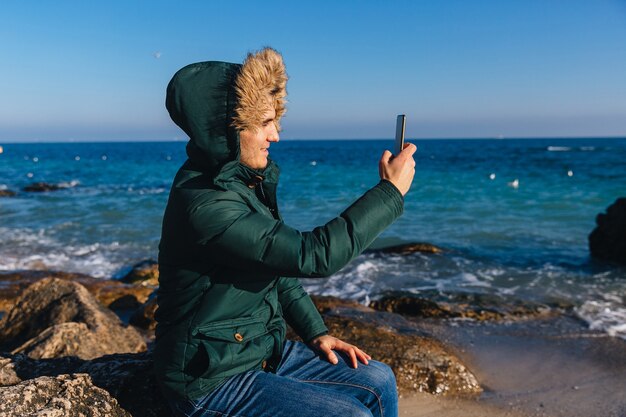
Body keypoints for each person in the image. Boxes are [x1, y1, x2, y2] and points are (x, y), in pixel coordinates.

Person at [154, 47, 416, 417]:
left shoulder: (240, 185)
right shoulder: (206, 205)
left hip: (255, 350)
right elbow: (312, 256)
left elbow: (275, 267)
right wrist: (389, 193)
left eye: (275, 121)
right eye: (264, 122)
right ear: (226, 127)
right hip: (208, 377)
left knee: (378, 380)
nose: (275, 135)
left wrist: (316, 332)